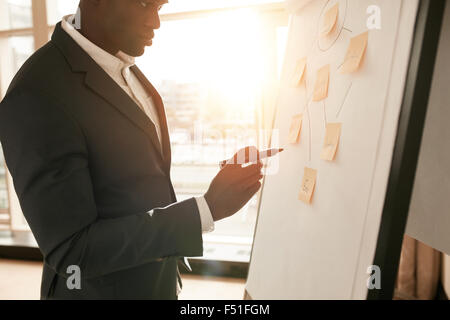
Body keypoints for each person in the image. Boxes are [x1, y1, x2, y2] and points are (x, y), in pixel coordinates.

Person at [0, 0, 263, 300]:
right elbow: (72, 250)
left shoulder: (127, 70)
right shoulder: (36, 93)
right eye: (144, 4)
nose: (156, 22)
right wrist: (206, 209)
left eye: (160, 7)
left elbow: (141, 181)